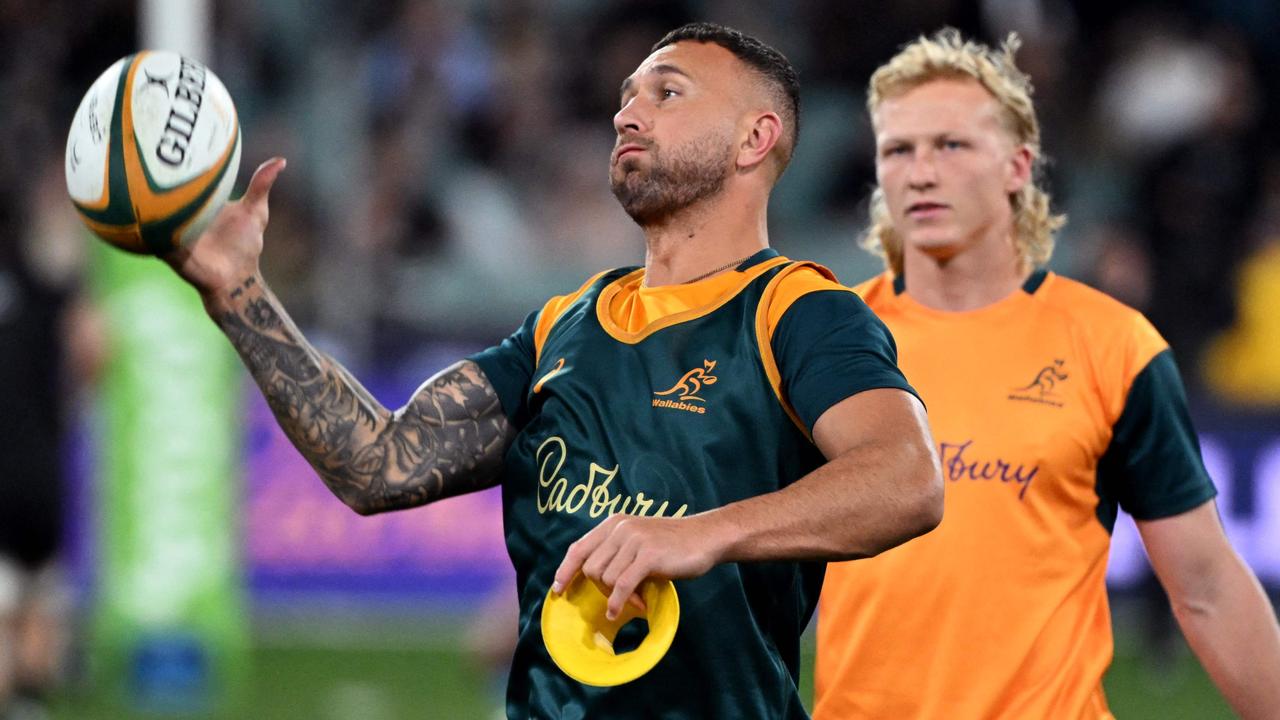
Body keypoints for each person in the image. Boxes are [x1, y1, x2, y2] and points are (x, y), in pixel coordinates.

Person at [166, 22, 943, 719]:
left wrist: (702, 535)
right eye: (626, 95)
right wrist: (239, 293)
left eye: (666, 92)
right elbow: (378, 463)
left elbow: (908, 477)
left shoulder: (796, 311)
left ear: (754, 139)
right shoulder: (560, 328)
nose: (626, 113)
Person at [814, 29, 1280, 720]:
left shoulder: (1111, 345)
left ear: (1016, 166)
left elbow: (1207, 585)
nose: (921, 171)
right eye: (898, 149)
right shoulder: (821, 340)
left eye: (951, 145)